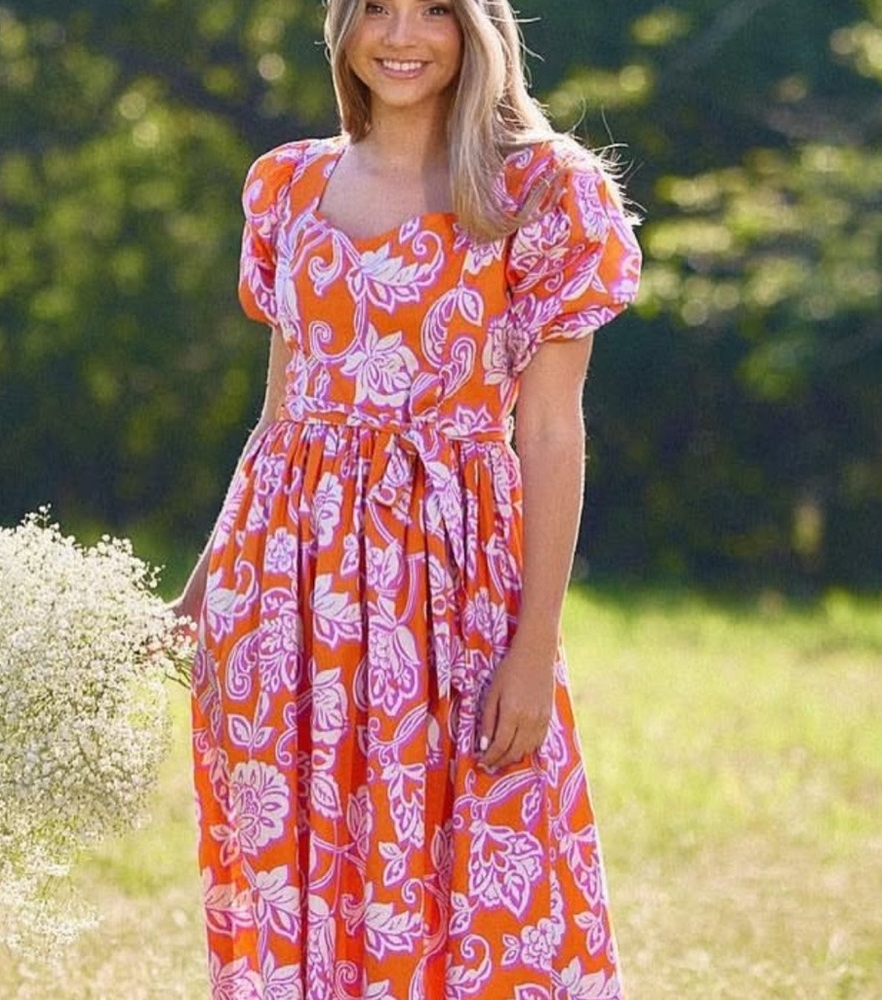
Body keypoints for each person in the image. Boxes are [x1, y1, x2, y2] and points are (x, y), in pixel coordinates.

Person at [172, 0, 642, 996]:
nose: (402, 33)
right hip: (286, 593)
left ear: (478, 28)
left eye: (434, 8)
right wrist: (203, 586)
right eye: (375, 7)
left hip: (452, 589)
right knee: (296, 864)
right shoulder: (288, 185)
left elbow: (551, 429)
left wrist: (532, 644)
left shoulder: (544, 189)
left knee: (472, 865)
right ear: (339, 26)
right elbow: (280, 416)